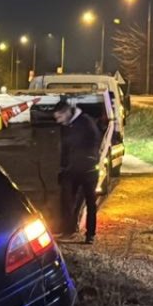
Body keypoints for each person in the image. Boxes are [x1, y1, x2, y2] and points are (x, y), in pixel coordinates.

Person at [53, 99, 102, 244]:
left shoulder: (86, 123)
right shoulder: (70, 124)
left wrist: (84, 163)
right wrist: (64, 167)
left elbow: (91, 145)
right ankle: (68, 230)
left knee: (90, 201)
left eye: (60, 117)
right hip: (74, 169)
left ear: (67, 112)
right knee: (68, 200)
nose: (59, 121)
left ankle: (90, 234)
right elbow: (66, 148)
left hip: (88, 170)